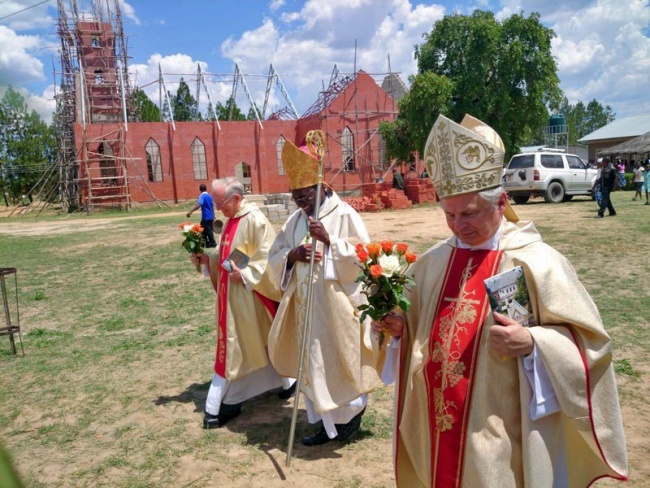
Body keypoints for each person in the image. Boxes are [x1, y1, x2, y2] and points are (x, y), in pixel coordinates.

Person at [379, 114, 628, 487]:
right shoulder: (430, 264)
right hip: (434, 420)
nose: (458, 225)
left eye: (469, 213)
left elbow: (591, 347)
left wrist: (533, 343)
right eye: (449, 214)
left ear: (501, 201)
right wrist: (398, 329)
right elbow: (413, 337)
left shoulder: (536, 262)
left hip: (499, 423)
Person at [267, 139, 384, 446]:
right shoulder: (295, 221)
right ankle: (322, 422)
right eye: (295, 198)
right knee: (315, 364)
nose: (299, 203)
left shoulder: (343, 214)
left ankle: (349, 420)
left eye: (303, 196)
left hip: (336, 308)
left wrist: (331, 241)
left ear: (319, 186)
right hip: (306, 309)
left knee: (339, 361)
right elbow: (275, 255)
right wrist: (293, 255)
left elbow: (364, 256)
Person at [190, 177, 294, 429]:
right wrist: (209, 260)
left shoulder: (254, 219)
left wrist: (245, 275)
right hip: (233, 296)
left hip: (250, 296)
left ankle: (220, 405)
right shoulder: (232, 219)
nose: (217, 209)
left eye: (221, 203)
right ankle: (287, 382)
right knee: (257, 340)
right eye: (215, 203)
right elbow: (232, 255)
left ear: (236, 198)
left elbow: (268, 255)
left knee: (244, 344)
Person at [187, 184, 217, 248]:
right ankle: (205, 243)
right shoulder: (210, 196)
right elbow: (211, 206)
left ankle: (212, 243)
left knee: (207, 230)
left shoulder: (202, 196)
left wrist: (190, 212)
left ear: (200, 190)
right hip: (210, 216)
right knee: (204, 230)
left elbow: (199, 204)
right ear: (206, 189)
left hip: (206, 217)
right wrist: (213, 215)